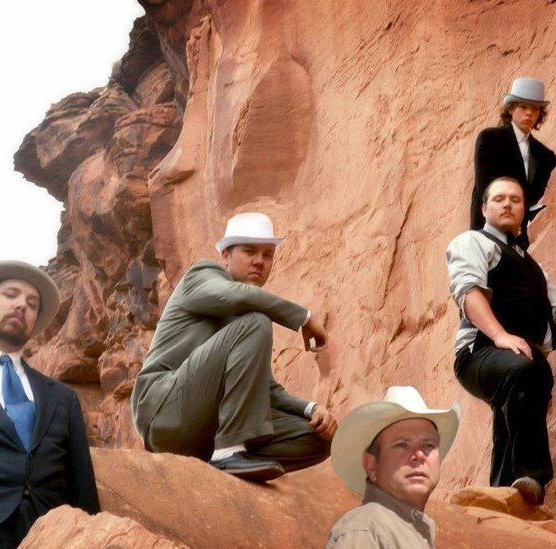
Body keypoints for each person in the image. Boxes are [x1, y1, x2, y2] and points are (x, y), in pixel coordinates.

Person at [131, 212, 338, 480]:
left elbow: (266, 389)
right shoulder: (202, 275)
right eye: (250, 251)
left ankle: (229, 456)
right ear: (225, 256)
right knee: (257, 321)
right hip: (163, 413)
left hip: (208, 429)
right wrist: (303, 318)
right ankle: (229, 452)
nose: (259, 261)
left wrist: (312, 409)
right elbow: (237, 297)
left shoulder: (246, 321)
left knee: (320, 438)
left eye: (267, 255)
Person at [0, 261, 100, 548]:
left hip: (54, 537)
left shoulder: (63, 397)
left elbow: (83, 491)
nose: (22, 305)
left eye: (32, 304)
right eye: (11, 294)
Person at [447, 177, 556, 504]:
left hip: (517, 357)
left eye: (515, 199)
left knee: (533, 378)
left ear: (523, 210)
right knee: (524, 370)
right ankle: (531, 477)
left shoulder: (535, 268)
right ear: (484, 208)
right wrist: (500, 335)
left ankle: (504, 494)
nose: (507, 203)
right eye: (498, 199)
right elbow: (468, 292)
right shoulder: (472, 241)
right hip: (478, 352)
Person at [326, 386, 460, 549]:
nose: (419, 455)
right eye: (402, 444)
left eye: (428, 445)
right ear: (371, 465)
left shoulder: (401, 531)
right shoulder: (366, 533)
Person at [470, 77, 556, 248]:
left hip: (525, 241)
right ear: (510, 108)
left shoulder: (546, 156)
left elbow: (541, 198)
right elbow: (485, 187)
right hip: (488, 234)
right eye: (523, 107)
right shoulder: (490, 139)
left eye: (535, 108)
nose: (529, 113)